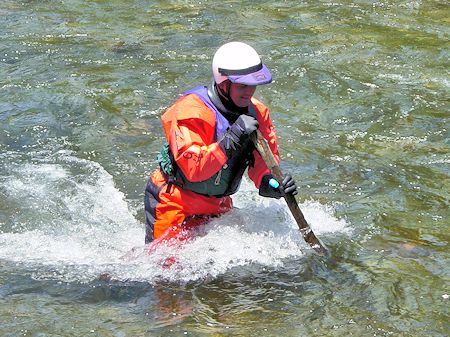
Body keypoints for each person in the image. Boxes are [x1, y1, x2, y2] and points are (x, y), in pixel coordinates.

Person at [144, 41, 298, 245]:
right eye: (242, 85)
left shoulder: (258, 113)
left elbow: (263, 166)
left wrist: (274, 184)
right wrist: (232, 138)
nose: (249, 92)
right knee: (165, 271)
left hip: (218, 203)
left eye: (253, 85)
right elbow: (193, 168)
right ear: (224, 83)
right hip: (175, 201)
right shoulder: (190, 111)